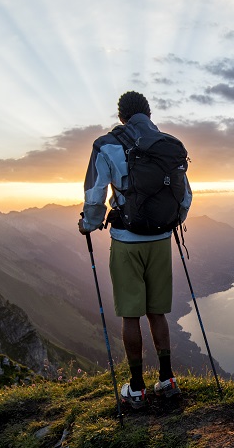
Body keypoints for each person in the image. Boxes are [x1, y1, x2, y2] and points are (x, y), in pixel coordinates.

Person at [78, 91, 192, 409]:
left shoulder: (106, 145)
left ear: (121, 117)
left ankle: (138, 387)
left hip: (126, 242)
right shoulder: (168, 144)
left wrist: (89, 224)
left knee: (132, 314)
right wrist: (170, 223)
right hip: (161, 241)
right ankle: (167, 379)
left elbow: (95, 193)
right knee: (157, 311)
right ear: (149, 113)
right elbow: (185, 197)